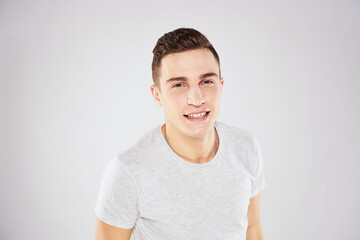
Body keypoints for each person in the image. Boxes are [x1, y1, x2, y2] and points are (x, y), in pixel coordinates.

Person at [94, 28, 265, 240]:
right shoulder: (127, 171)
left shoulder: (246, 146)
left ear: (221, 86)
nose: (196, 98)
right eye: (178, 84)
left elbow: (252, 228)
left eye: (206, 81)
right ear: (157, 95)